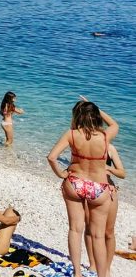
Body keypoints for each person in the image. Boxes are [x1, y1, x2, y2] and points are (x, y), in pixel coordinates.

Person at [47, 100, 119, 277]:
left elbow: (51, 157)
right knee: (98, 236)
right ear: (95, 116)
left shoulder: (71, 134)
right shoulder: (104, 136)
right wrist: (96, 108)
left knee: (75, 229)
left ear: (78, 116)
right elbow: (114, 124)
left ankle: (77, 273)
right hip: (99, 187)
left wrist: (61, 174)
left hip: (75, 182)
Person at [85, 144, 126, 275]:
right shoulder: (83, 144)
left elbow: (122, 173)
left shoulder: (110, 148)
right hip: (88, 189)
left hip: (108, 190)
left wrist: (109, 168)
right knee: (90, 228)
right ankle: (92, 265)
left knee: (109, 232)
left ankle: (107, 268)